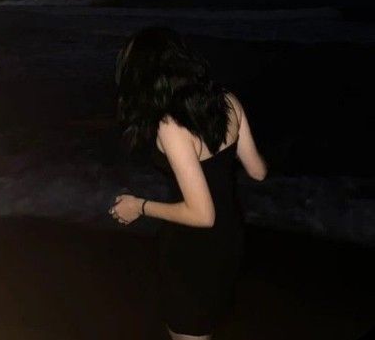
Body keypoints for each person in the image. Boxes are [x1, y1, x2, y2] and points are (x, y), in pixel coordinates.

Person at [108, 26, 268, 340]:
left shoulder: (171, 125)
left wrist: (138, 206)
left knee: (188, 333)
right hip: (231, 237)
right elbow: (258, 170)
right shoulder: (227, 100)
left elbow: (201, 215)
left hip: (193, 250)